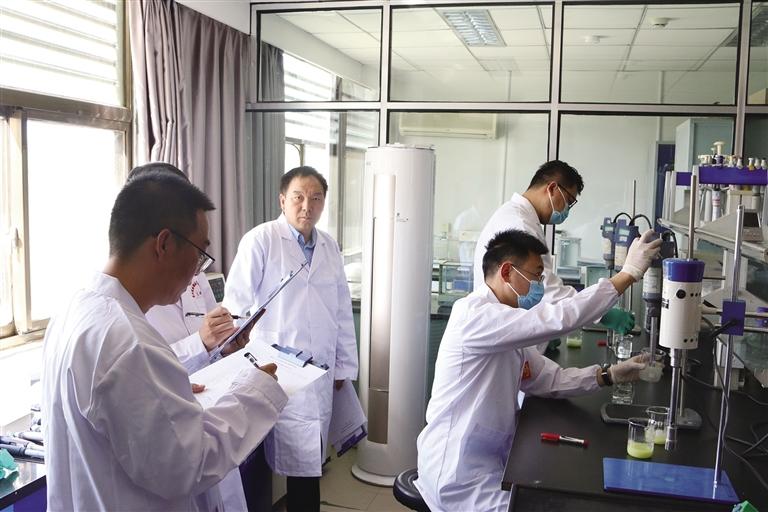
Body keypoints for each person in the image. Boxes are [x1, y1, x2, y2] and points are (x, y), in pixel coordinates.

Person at [41, 170, 288, 511]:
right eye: (199, 254)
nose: (197, 271)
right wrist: (255, 391)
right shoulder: (128, 342)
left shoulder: (74, 310)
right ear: (164, 244)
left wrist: (172, 390)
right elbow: (188, 465)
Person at [416, 228, 661, 512]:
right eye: (535, 276)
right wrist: (627, 275)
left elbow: (547, 379)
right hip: (456, 473)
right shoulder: (474, 316)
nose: (539, 287)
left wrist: (608, 375)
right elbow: (557, 318)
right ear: (507, 272)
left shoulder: (506, 324)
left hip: (488, 462)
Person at [223, 166, 358, 512]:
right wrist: (233, 365)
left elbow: (341, 310)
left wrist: (344, 367)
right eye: (298, 197)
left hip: (319, 370)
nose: (307, 206)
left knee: (306, 466)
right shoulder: (261, 240)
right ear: (282, 200)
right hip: (273, 369)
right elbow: (236, 306)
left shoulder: (328, 246)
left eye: (316, 198)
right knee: (265, 464)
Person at [472, 160, 635, 341]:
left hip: (509, 329)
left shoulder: (516, 215)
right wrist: (602, 313)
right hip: (505, 330)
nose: (567, 211)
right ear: (552, 188)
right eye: (568, 202)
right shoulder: (520, 224)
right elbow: (548, 291)